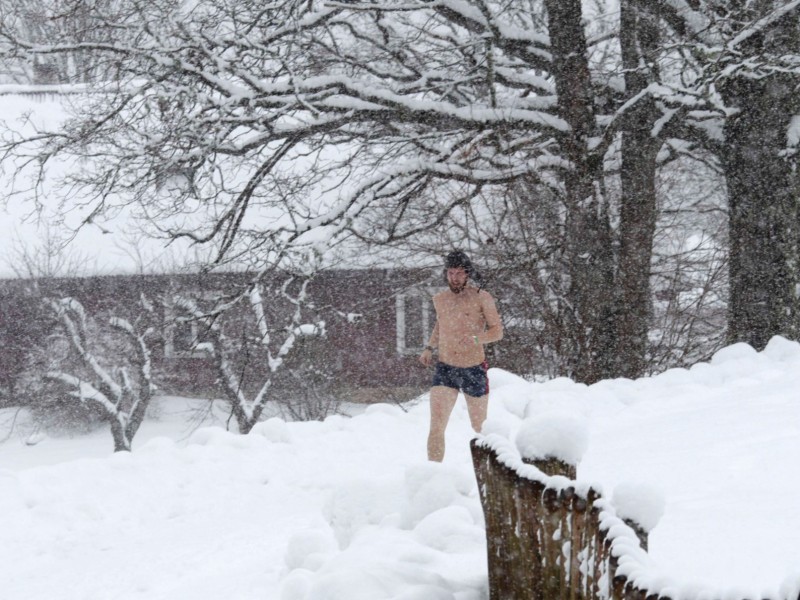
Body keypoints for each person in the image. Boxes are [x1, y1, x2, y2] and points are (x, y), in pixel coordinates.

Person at [419, 250, 503, 462]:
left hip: (473, 368)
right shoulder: (440, 299)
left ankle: (493, 473)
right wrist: (429, 347)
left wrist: (476, 339)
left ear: (467, 274)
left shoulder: (482, 297)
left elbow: (497, 331)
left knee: (480, 427)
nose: (454, 278)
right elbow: (441, 323)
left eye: (458, 273)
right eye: (450, 273)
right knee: (436, 425)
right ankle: (433, 473)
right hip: (446, 368)